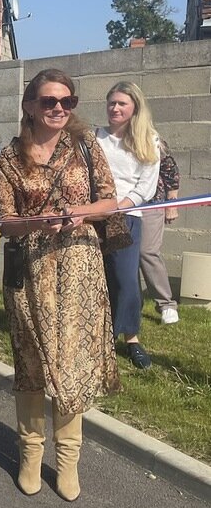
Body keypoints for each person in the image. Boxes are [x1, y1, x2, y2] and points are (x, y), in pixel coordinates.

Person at [0, 68, 121, 501]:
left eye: (67, 101)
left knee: (72, 363)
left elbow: (110, 201)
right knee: (31, 362)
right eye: (50, 101)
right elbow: (4, 222)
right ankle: (30, 453)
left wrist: (82, 211)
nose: (60, 108)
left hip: (80, 266)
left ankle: (67, 460)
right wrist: (34, 221)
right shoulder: (7, 159)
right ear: (29, 105)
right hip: (31, 269)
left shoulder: (86, 147)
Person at [97, 81, 159, 369]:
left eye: (122, 103)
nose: (115, 108)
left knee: (126, 281)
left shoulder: (148, 140)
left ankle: (131, 338)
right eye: (112, 102)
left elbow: (145, 187)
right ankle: (100, 337)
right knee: (96, 279)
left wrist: (117, 208)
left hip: (126, 218)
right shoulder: (94, 138)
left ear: (135, 107)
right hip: (92, 217)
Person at [140, 136, 180, 324]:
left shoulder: (151, 138)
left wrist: (172, 204)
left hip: (151, 203)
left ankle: (166, 305)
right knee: (124, 255)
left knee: (147, 252)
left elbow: (169, 169)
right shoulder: (109, 138)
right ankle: (131, 304)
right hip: (120, 206)